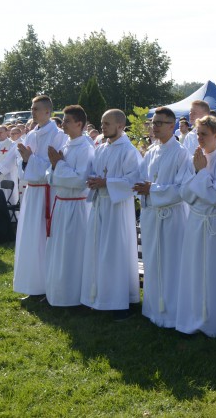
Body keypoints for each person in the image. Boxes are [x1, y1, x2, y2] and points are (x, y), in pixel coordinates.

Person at [134, 107, 194, 328]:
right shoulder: (150, 152)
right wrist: (143, 190)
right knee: (153, 262)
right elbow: (141, 181)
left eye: (160, 122)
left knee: (171, 265)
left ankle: (172, 313)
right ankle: (153, 310)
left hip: (172, 217)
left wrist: (153, 189)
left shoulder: (181, 153)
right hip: (152, 215)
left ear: (172, 125)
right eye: (153, 122)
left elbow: (183, 190)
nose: (155, 126)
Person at [176, 115, 216, 337]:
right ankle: (193, 317)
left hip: (215, 224)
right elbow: (184, 192)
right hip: (196, 220)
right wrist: (199, 181)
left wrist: (201, 174)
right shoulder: (195, 158)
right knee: (194, 269)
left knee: (213, 271)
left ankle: (213, 321)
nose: (199, 138)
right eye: (198, 134)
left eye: (204, 134)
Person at [81, 109, 141, 319]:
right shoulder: (101, 148)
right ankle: (99, 297)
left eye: (107, 123)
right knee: (98, 252)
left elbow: (134, 181)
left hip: (117, 209)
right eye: (102, 123)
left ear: (120, 126)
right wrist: (94, 180)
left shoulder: (128, 151)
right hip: (100, 206)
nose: (103, 127)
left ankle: (119, 302)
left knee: (115, 253)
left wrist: (106, 183)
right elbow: (96, 173)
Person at [13, 95, 68, 298]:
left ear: (48, 112)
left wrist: (30, 160)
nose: (32, 112)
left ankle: (47, 286)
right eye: (32, 108)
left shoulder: (58, 135)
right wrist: (26, 162)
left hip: (47, 192)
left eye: (36, 109)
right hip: (32, 192)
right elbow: (22, 166)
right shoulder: (30, 135)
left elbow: (53, 167)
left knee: (45, 240)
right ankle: (32, 285)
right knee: (30, 239)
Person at [43, 105, 94, 306]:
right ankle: (57, 293)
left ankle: (73, 297)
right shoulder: (65, 146)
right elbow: (49, 176)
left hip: (76, 206)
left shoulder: (86, 149)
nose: (62, 124)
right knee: (58, 251)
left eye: (66, 121)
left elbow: (79, 181)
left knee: (73, 253)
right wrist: (56, 167)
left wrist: (58, 165)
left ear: (79, 124)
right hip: (61, 204)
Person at [0, 125, 19, 205]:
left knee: (9, 196)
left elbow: (10, 160)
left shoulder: (12, 144)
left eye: (1, 132)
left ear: (7, 132)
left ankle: (11, 216)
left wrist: (0, 171)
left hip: (8, 175)